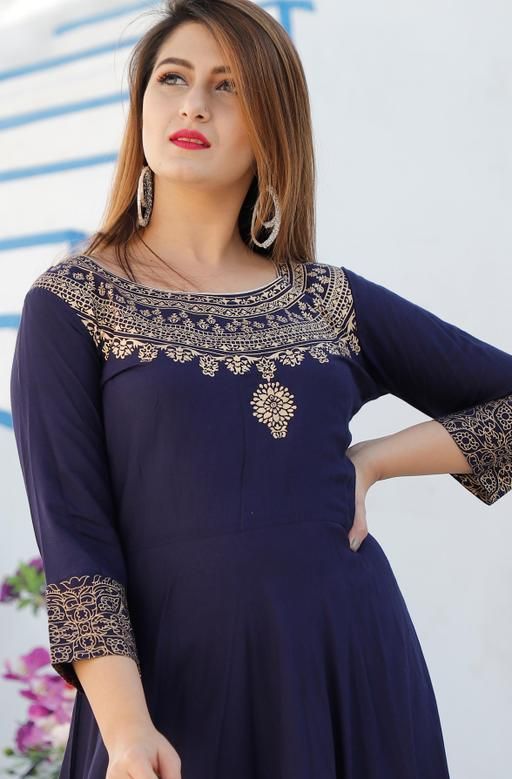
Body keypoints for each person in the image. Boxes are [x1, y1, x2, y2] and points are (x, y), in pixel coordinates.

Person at [9, 1, 512, 777]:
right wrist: (128, 728)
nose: (193, 105)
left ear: (271, 122)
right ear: (141, 104)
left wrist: (375, 460)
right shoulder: (74, 303)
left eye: (228, 86)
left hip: (346, 672)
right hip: (169, 698)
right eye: (172, 79)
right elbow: (75, 537)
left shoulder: (327, 300)